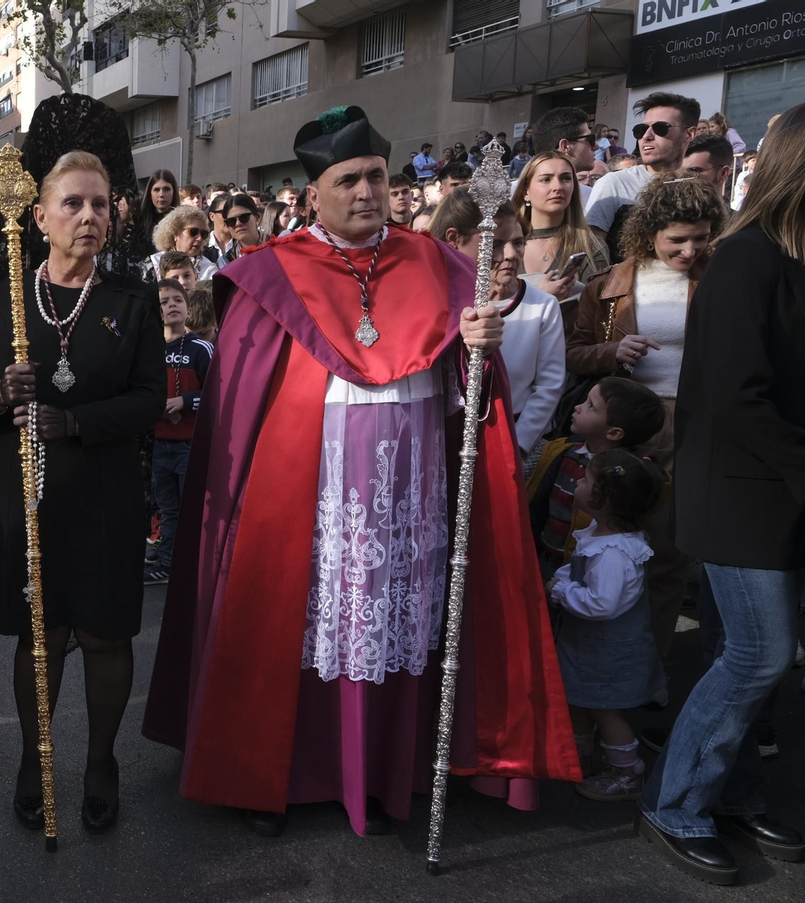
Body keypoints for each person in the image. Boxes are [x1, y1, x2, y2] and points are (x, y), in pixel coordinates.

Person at [143, 105, 578, 840]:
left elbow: (471, 398)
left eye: (377, 176)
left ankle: (388, 768)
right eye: (349, 180)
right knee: (292, 616)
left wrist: (475, 347)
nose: (368, 192)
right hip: (309, 486)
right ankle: (268, 774)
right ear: (316, 194)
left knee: (399, 618)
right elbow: (246, 403)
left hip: (410, 482)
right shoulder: (269, 276)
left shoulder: (439, 263)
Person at [0, 149, 164, 836]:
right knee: (41, 636)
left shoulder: (132, 302)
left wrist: (73, 420)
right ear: (39, 216)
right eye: (72, 204)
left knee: (103, 634)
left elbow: (149, 400)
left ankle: (102, 761)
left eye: (100, 204)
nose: (89, 216)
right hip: (26, 494)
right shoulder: (3, 298)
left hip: (105, 492)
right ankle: (32, 757)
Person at [633, 103, 805, 885]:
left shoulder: (789, 257)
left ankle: (728, 793)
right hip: (739, 491)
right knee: (760, 653)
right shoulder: (746, 259)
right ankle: (676, 803)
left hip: (776, 489)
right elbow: (740, 397)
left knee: (741, 651)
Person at [567, 172, 725, 658]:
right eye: (677, 239)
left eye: (701, 238)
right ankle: (597, 666)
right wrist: (614, 350)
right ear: (649, 232)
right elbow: (575, 352)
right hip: (626, 423)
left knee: (667, 555)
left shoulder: (719, 277)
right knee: (604, 544)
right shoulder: (610, 283)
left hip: (695, 424)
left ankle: (648, 666)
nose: (690, 250)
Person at [548, 450, 667, 800]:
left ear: (603, 498)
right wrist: (565, 577)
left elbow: (602, 603)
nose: (578, 482)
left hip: (605, 655)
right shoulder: (601, 537)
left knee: (603, 710)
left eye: (585, 480)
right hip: (588, 650)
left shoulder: (614, 554)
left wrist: (562, 590)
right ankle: (577, 756)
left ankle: (627, 772)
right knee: (580, 700)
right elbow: (579, 570)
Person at [430, 190, 564, 458]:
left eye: (518, 242)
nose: (511, 254)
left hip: (515, 442)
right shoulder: (435, 304)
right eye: (495, 243)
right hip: (445, 441)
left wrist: (518, 444)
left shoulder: (542, 306)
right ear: (454, 240)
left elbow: (550, 386)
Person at [528, 378, 667, 580]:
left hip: (587, 569)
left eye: (590, 406)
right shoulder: (563, 451)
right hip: (543, 556)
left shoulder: (623, 477)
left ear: (613, 432)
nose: (577, 407)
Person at [147, 278, 212, 586]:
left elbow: (218, 395)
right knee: (169, 509)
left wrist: (185, 401)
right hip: (161, 444)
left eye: (177, 300)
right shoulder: (148, 350)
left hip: (190, 444)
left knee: (194, 509)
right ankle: (167, 564)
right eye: (163, 301)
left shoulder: (202, 349)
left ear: (188, 308)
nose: (171, 304)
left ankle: (198, 567)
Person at [586, 92, 700, 260]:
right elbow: (592, 254)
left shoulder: (698, 189)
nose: (646, 136)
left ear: (689, 134)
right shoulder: (614, 184)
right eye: (641, 129)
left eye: (660, 128)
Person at [513, 150, 611, 301]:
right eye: (546, 179)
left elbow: (597, 312)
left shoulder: (592, 247)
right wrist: (541, 298)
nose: (557, 187)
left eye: (566, 178)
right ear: (526, 191)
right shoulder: (504, 246)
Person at [529, 106, 598, 203]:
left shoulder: (591, 196)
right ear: (566, 146)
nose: (596, 146)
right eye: (590, 139)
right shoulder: (509, 196)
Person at [148, 206, 218, 283]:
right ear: (175, 233)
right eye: (193, 232)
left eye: (203, 234)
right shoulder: (154, 263)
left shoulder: (208, 269)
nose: (199, 238)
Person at [129, 168, 177, 258]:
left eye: (166, 189)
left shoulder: (182, 222)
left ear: (173, 192)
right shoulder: (138, 222)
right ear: (150, 193)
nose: (161, 194)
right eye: (156, 190)